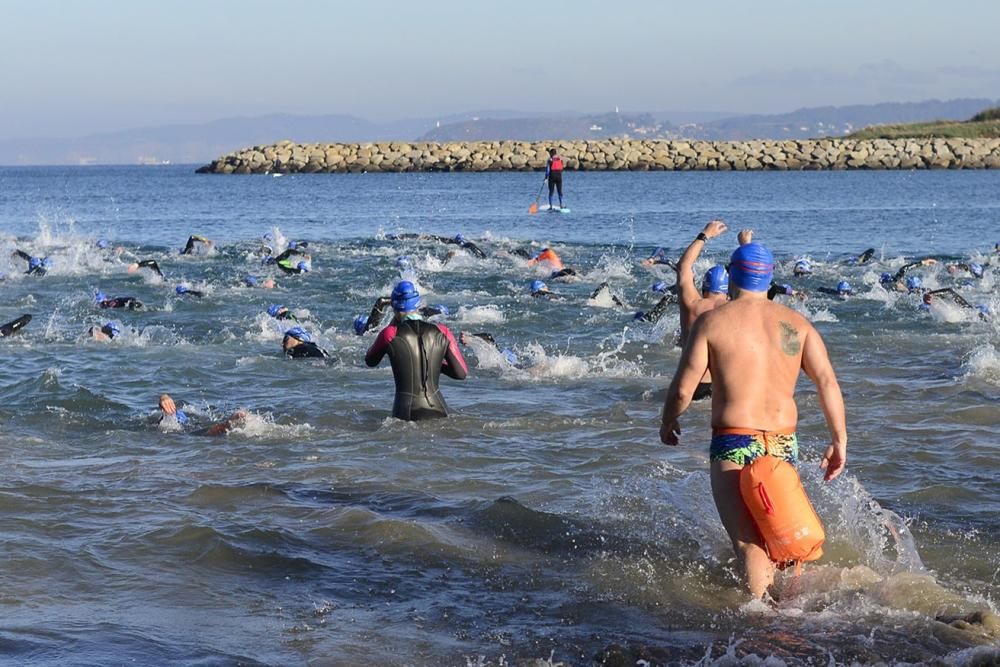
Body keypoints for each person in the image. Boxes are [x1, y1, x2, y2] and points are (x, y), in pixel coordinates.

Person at [660, 241, 847, 599]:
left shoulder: (713, 322)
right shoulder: (796, 325)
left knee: (749, 544)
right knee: (779, 532)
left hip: (734, 440)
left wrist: (668, 421)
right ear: (769, 279)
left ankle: (761, 623)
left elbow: (684, 389)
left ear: (731, 277)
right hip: (782, 443)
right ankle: (795, 610)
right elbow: (827, 382)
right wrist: (839, 440)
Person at [364, 280, 468, 421]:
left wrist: (392, 324)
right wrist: (436, 365)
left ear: (394, 307)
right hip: (439, 410)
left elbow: (370, 360)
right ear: (417, 303)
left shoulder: (389, 334)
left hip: (405, 412)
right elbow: (461, 373)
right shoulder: (443, 331)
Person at [676, 220, 732, 400]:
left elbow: (683, 267)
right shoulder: (736, 307)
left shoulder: (692, 304)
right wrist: (745, 245)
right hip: (723, 386)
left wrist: (705, 235)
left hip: (691, 384)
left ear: (703, 287)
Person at [157, 393, 249, 436]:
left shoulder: (182, 412)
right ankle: (229, 423)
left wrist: (164, 397)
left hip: (193, 425)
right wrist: (163, 399)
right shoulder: (164, 420)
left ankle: (229, 423)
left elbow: (165, 398)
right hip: (190, 429)